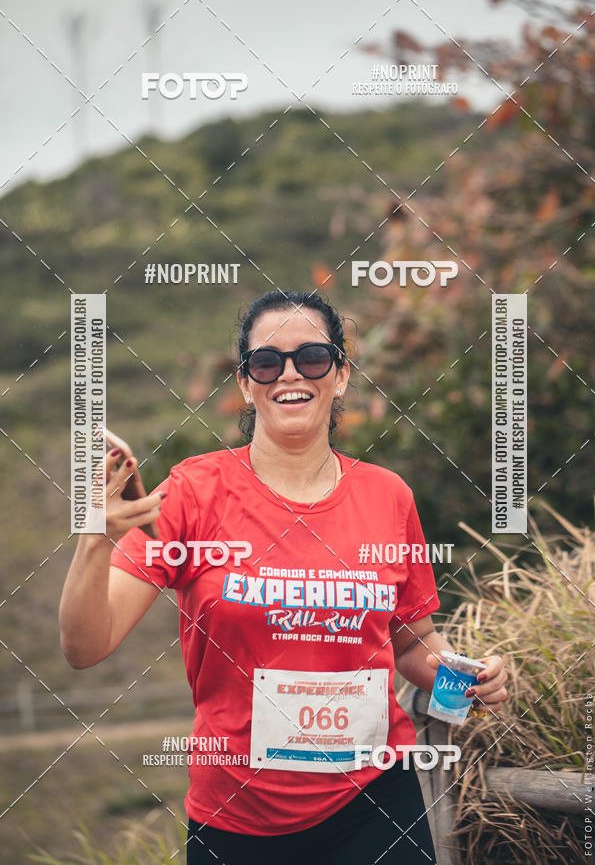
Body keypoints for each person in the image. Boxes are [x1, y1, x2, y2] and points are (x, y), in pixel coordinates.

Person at [59, 290, 509, 865]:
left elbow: (412, 643)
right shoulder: (193, 492)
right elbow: (83, 647)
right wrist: (95, 537)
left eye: (313, 358)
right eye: (267, 363)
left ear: (340, 375)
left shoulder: (387, 495)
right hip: (238, 821)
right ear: (247, 384)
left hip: (378, 804)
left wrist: (468, 680)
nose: (289, 374)